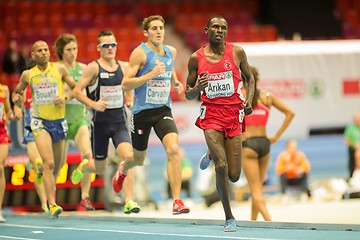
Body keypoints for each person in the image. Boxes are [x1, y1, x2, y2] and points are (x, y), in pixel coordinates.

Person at [184, 16, 255, 232]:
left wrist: (249, 100)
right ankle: (229, 217)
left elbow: (249, 78)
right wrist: (198, 88)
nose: (220, 30)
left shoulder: (237, 52)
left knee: (234, 175)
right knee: (221, 167)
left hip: (234, 114)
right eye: (215, 27)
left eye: (223, 27)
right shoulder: (195, 58)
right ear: (207, 30)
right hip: (211, 115)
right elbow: (187, 93)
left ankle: (210, 154)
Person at [121, 15, 190, 215]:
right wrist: (150, 75)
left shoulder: (171, 51)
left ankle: (177, 201)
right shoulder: (140, 54)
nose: (159, 31)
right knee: (139, 160)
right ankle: (124, 168)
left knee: (174, 150)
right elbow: (125, 83)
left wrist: (175, 82)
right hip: (142, 112)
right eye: (154, 28)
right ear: (146, 32)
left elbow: (168, 71)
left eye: (161, 28)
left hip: (163, 110)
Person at [70, 30, 140, 214]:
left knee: (129, 158)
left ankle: (129, 200)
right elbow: (77, 91)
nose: (110, 49)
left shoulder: (123, 67)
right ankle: (84, 167)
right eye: (106, 46)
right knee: (100, 168)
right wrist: (94, 104)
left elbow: (129, 86)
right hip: (100, 125)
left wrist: (130, 98)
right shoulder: (93, 68)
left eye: (113, 45)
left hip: (119, 122)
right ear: (99, 48)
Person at [11, 40, 76, 219]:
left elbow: (75, 88)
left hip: (58, 122)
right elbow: (17, 92)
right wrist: (17, 100)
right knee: (49, 163)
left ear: (50, 52)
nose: (43, 53)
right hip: (39, 122)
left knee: (58, 165)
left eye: (46, 49)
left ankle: (48, 190)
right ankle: (52, 203)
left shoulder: (60, 70)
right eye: (39, 50)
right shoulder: (27, 75)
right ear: (33, 55)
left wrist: (66, 97)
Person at [241, 66, 294, 221]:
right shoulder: (267, 96)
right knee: (257, 189)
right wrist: (276, 136)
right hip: (265, 143)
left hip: (248, 144)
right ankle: (253, 223)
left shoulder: (239, 96)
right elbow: (290, 113)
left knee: (255, 191)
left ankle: (270, 223)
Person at [53, 33, 95, 211]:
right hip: (60, 120)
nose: (73, 52)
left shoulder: (84, 68)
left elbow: (86, 91)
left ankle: (85, 198)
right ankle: (51, 199)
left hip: (79, 119)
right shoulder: (55, 69)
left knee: (87, 155)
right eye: (69, 50)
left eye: (75, 49)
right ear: (61, 52)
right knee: (58, 164)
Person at [13, 83, 49, 215]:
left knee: (49, 166)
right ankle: (44, 204)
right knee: (38, 164)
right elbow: (16, 100)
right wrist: (17, 110)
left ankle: (48, 200)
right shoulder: (26, 89)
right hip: (32, 132)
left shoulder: (48, 86)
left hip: (47, 132)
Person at [0, 83, 14, 223]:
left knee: (0, 168)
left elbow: (7, 111)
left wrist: (11, 114)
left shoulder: (4, 89)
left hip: (1, 132)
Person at [343, 113, 360, 179]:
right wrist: (354, 145)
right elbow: (346, 139)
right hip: (353, 148)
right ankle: (351, 176)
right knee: (352, 163)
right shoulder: (350, 128)